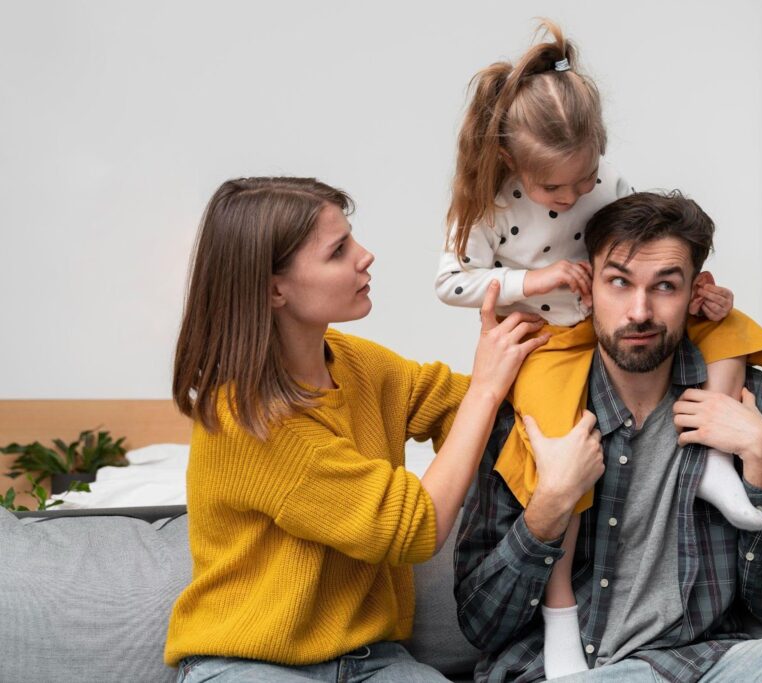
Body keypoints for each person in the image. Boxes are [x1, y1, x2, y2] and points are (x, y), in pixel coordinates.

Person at [454, 191, 762, 682]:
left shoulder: (748, 401)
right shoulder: (531, 408)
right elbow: (480, 623)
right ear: (587, 290)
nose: (639, 311)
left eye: (664, 286)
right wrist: (548, 509)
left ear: (695, 293)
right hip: (576, 673)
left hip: (702, 666)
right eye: (619, 282)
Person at [435, 22, 762, 679]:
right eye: (554, 191)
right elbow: (453, 280)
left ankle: (711, 459)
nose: (572, 199)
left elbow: (641, 240)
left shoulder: (607, 187)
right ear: (513, 166)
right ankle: (565, 614)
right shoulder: (486, 208)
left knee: (736, 326)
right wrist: (530, 283)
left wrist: (758, 454)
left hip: (704, 660)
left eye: (583, 180)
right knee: (560, 464)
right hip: (548, 339)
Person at [164, 177, 549, 682]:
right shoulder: (246, 419)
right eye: (338, 250)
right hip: (247, 665)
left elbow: (465, 412)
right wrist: (485, 389)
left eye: (353, 239)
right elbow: (415, 528)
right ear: (273, 287)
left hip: (373, 660)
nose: (365, 256)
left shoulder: (356, 363)